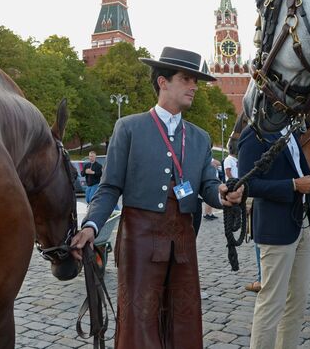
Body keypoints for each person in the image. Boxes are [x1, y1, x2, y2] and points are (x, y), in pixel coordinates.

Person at [70, 46, 244, 349]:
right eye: (187, 79)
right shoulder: (129, 127)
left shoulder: (201, 137)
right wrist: (91, 226)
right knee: (139, 318)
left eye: (196, 82)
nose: (194, 87)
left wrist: (223, 194)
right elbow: (110, 187)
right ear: (163, 82)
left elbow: (207, 185)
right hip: (139, 238)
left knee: (183, 318)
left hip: (184, 240)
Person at [238, 124, 310, 349]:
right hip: (275, 229)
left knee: (297, 301)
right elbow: (247, 185)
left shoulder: (292, 132)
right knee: (271, 303)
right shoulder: (254, 133)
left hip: (301, 223)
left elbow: (298, 171)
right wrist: (293, 185)